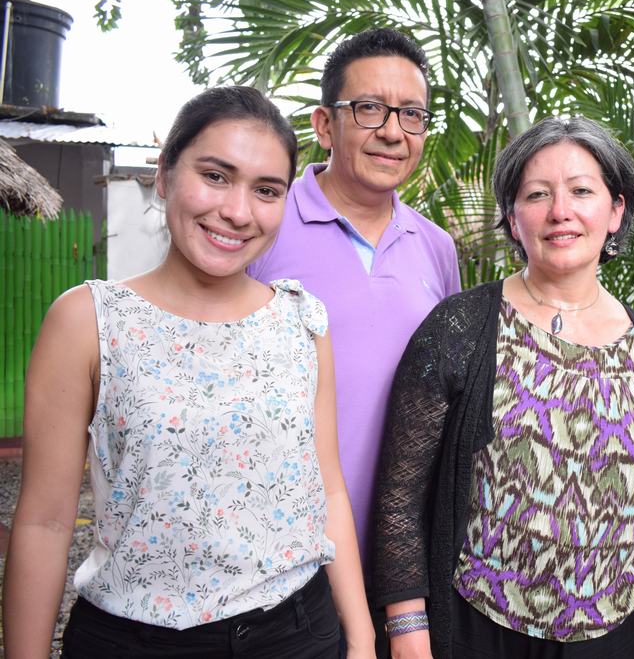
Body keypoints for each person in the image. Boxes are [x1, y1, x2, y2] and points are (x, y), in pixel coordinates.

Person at [3, 86, 374, 658]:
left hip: (300, 634)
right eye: (216, 175)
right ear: (165, 172)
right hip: (138, 641)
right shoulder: (90, 322)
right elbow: (45, 524)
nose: (237, 211)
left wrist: (364, 638)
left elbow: (327, 488)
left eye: (266, 190)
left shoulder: (302, 321)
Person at [372, 117, 634, 659]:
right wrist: (407, 633)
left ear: (615, 211)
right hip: (479, 628)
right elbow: (400, 495)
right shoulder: (458, 327)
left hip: (615, 635)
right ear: (513, 219)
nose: (560, 212)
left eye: (581, 191)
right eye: (537, 194)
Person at [248, 28, 461, 584]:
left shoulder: (436, 247)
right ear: (324, 125)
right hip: (282, 562)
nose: (393, 132)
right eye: (369, 109)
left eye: (411, 115)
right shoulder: (261, 225)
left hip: (403, 565)